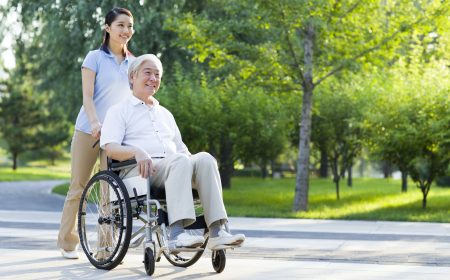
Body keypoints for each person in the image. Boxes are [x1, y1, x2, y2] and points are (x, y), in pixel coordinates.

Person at [100, 54, 245, 250]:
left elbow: (181, 149)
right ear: (132, 77)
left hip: (175, 167)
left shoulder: (165, 114)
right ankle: (176, 234)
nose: (153, 78)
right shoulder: (119, 110)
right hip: (140, 173)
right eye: (148, 73)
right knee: (179, 161)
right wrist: (137, 152)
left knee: (205, 159)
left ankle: (217, 231)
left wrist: (197, 164)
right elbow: (110, 148)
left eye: (157, 75)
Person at [58, 7, 135, 259]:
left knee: (109, 191)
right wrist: (94, 123)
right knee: (78, 187)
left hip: (115, 136)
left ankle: (105, 248)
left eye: (130, 26)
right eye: (121, 25)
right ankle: (68, 243)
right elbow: (88, 97)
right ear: (107, 28)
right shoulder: (94, 57)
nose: (126, 30)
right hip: (87, 130)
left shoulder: (134, 63)